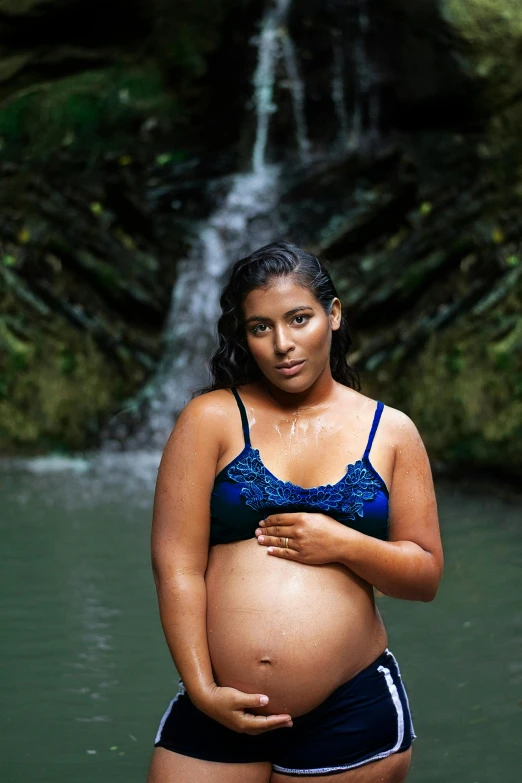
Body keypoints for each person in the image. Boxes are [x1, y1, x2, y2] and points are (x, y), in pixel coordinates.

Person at [147, 241, 443, 783]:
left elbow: (424, 576)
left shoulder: (392, 431)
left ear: (333, 315)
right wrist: (201, 688)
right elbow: (177, 567)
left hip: (348, 708)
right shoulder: (209, 418)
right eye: (261, 328)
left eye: (299, 319)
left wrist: (344, 544)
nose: (283, 344)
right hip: (217, 700)